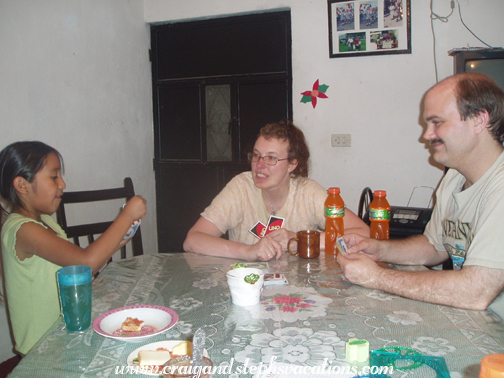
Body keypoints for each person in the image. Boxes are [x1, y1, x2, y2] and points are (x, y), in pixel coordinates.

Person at [338, 72, 504, 319]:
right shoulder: (454, 178)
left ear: (479, 120)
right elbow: (433, 247)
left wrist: (376, 276)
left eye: (437, 122)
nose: (427, 134)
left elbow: (475, 292)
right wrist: (381, 250)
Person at [0, 141, 147, 355]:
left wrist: (120, 237)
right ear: (22, 185)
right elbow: (86, 263)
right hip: (41, 349)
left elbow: (77, 267)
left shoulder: (45, 222)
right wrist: (126, 216)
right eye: (54, 176)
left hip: (63, 335)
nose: (63, 184)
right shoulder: (23, 230)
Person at [183, 120, 369, 262]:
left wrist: (299, 239)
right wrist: (248, 251)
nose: (259, 165)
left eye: (271, 158)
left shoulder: (309, 193)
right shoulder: (240, 187)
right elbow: (193, 240)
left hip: (298, 295)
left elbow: (363, 233)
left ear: (292, 164)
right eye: (256, 155)